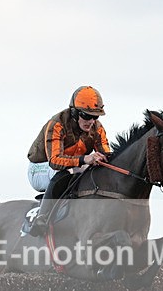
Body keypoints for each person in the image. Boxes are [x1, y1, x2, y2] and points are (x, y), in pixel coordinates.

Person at [25, 86, 111, 236]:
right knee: (66, 170)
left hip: (72, 166)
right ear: (74, 112)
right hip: (40, 168)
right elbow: (55, 161)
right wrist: (85, 159)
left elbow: (106, 156)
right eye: (86, 115)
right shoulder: (57, 124)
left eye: (95, 117)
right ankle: (42, 219)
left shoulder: (97, 128)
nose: (91, 121)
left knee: (92, 170)